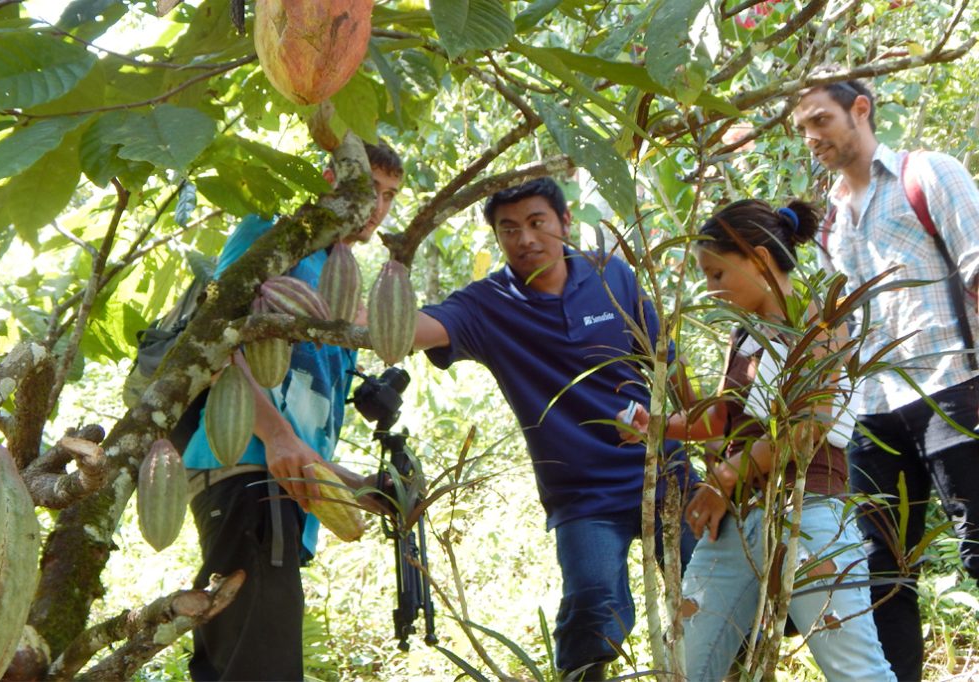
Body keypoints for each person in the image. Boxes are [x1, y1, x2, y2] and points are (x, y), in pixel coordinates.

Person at [413, 177, 699, 680]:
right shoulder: (488, 304)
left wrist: (704, 437)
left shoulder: (611, 274)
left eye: (537, 222)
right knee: (593, 606)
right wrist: (341, 309)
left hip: (663, 469)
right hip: (583, 496)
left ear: (566, 223)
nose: (525, 238)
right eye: (509, 230)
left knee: (710, 590)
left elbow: (665, 362)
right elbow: (416, 329)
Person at [619, 199, 895, 681]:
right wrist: (658, 425)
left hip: (805, 513)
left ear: (761, 260)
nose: (711, 289)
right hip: (739, 514)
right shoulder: (746, 334)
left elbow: (806, 426)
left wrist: (724, 477)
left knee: (855, 670)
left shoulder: (820, 324)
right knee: (685, 663)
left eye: (718, 274)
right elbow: (729, 418)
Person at [183, 141, 403, 681]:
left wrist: (363, 489)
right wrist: (278, 439)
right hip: (246, 482)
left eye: (391, 196)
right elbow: (214, 341)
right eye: (369, 189)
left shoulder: (339, 279)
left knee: (234, 668)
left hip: (280, 501)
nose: (378, 207)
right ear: (332, 178)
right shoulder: (274, 232)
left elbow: (299, 439)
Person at [793, 79, 979, 681]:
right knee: (882, 573)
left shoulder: (930, 174)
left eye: (820, 120)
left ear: (861, 110)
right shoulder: (828, 228)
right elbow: (840, 330)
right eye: (803, 128)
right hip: (873, 411)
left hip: (954, 386)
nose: (811, 137)